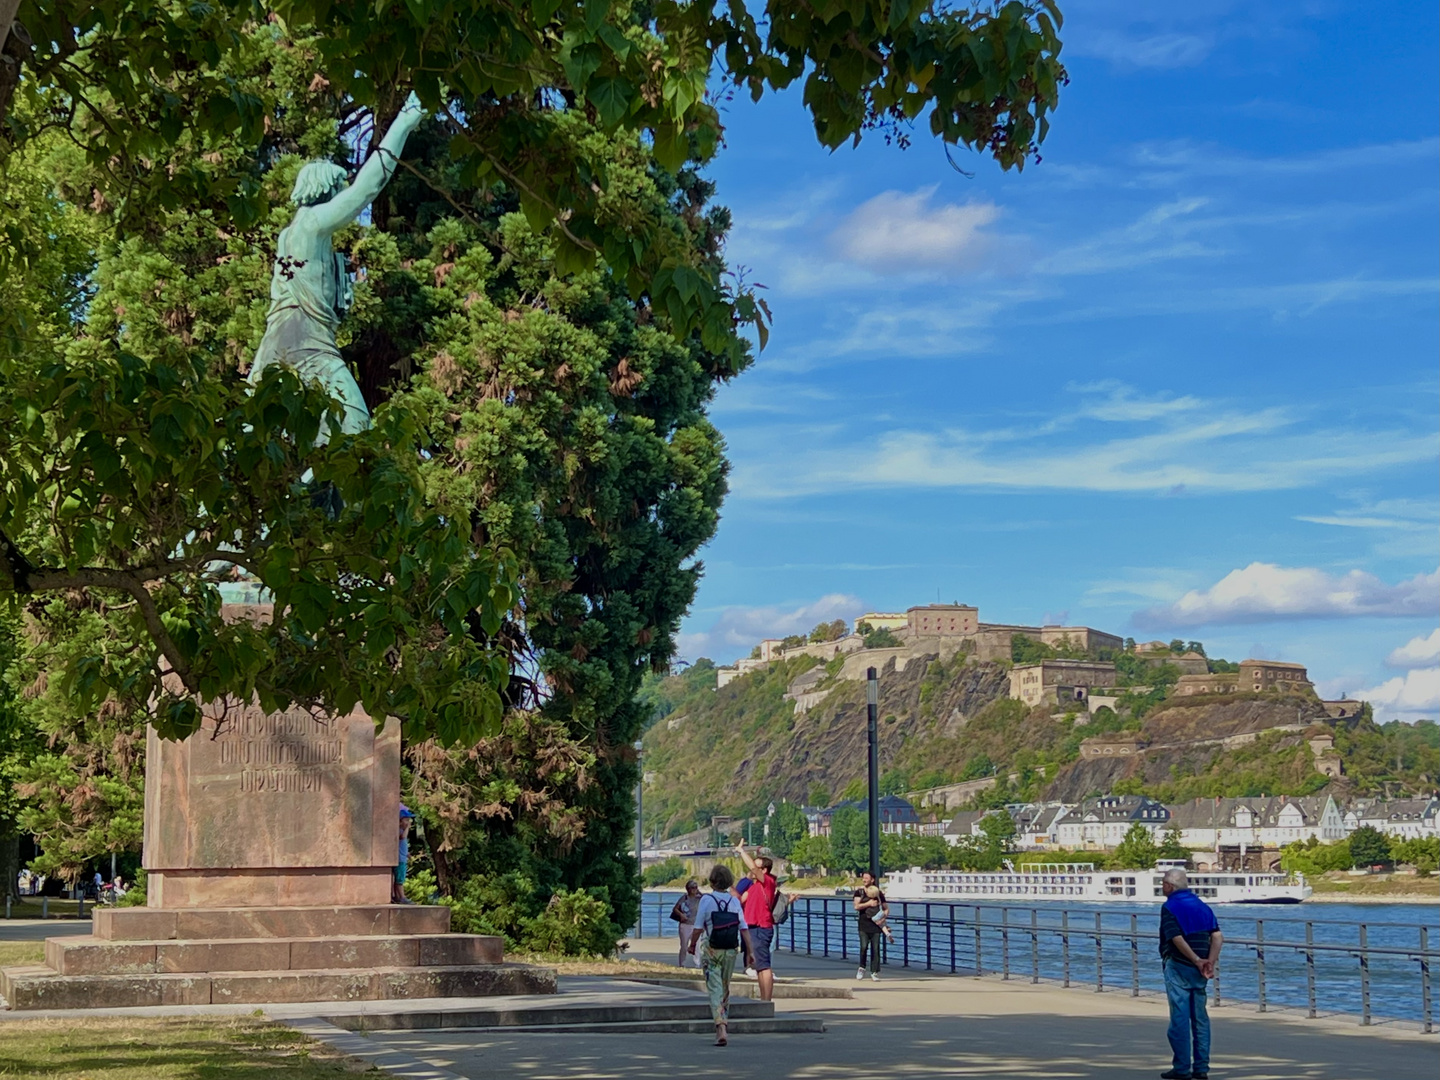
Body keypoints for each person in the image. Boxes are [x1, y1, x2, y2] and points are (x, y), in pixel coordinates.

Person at [1159, 867, 1222, 1080]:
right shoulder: (1203, 907)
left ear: (1169, 886)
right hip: (1201, 972)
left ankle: (1182, 1068)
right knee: (1200, 1018)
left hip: (1179, 966)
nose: (1162, 888)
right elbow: (1217, 937)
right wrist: (1209, 962)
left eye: (1162, 884)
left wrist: (1196, 960)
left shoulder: (1170, 907)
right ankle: (1202, 1068)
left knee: (1179, 1018)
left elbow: (1175, 938)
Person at [687, 864, 755, 1047]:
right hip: (731, 949)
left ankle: (721, 1027)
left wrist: (692, 945)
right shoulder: (734, 901)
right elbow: (744, 927)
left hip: (712, 948)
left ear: (711, 882)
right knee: (725, 987)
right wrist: (751, 952)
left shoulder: (707, 900)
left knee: (714, 988)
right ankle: (724, 1022)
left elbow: (698, 926)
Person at [735, 840, 778, 1000]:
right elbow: (740, 899)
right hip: (752, 927)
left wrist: (741, 851)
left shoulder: (768, 882)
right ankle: (763, 999)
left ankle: (766, 1000)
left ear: (764, 870)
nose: (753, 869)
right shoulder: (753, 887)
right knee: (758, 965)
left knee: (764, 965)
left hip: (761, 927)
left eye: (757, 867)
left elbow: (752, 867)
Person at [852, 870, 887, 980]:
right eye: (863, 878)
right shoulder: (859, 892)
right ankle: (862, 968)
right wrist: (868, 904)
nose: (864, 880)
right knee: (863, 947)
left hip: (876, 925)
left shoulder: (878, 893)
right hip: (863, 924)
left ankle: (874, 971)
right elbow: (856, 906)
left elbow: (886, 908)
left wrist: (883, 918)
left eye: (867, 878)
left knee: (875, 949)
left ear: (872, 880)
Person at [670, 879, 702, 968]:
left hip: (696, 924)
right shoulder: (684, 898)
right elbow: (675, 908)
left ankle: (697, 963)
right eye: (693, 888)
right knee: (684, 945)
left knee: (697, 945)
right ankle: (682, 963)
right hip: (685, 924)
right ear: (688, 889)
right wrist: (681, 915)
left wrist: (699, 892)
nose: (694, 889)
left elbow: (707, 899)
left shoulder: (699, 898)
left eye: (696, 887)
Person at [393, 805, 415, 904]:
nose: (408, 822)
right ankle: (402, 896)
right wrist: (407, 828)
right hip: (399, 859)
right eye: (406, 820)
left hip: (403, 857)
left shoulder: (402, 831)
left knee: (400, 877)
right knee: (400, 879)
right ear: (400, 821)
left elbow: (403, 846)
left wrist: (408, 854)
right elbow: (402, 837)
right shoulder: (400, 831)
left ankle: (397, 896)